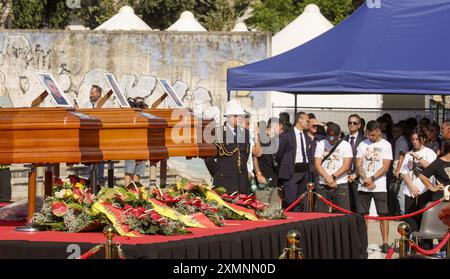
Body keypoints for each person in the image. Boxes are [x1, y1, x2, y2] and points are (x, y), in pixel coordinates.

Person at [356, 120, 393, 253]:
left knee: (383, 215)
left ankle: (385, 243)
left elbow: (386, 167)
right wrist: (365, 178)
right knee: (364, 215)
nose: (369, 137)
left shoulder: (386, 145)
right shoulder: (362, 144)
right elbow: (359, 164)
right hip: (364, 185)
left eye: (372, 135)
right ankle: (363, 242)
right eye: (368, 134)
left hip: (379, 186)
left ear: (378, 131)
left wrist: (372, 178)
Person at [400, 128, 437, 249]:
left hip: (425, 190)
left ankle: (426, 247)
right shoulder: (408, 154)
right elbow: (404, 172)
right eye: (413, 139)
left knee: (424, 219)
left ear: (423, 139)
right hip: (410, 190)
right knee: (410, 219)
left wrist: (417, 156)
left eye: (417, 139)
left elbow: (432, 168)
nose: (415, 141)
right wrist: (411, 186)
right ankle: (413, 245)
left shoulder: (430, 152)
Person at [204, 99, 251, 194]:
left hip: (242, 182)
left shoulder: (245, 133)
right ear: (228, 117)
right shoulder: (218, 133)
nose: (239, 118)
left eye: (241, 116)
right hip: (224, 182)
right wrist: (218, 173)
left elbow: (245, 155)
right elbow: (208, 157)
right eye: (236, 116)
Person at [275, 112, 312, 211]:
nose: (308, 123)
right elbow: (279, 154)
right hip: (291, 172)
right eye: (307, 121)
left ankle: (299, 220)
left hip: (304, 171)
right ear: (299, 120)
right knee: (290, 200)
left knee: (301, 200)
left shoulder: (306, 136)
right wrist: (285, 166)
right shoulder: (287, 135)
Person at [314, 123, 352, 212]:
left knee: (343, 213)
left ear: (339, 134)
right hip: (323, 182)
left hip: (340, 182)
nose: (331, 141)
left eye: (334, 139)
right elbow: (317, 164)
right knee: (321, 213)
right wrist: (327, 177)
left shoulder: (346, 145)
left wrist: (333, 177)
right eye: (329, 138)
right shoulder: (321, 144)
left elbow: (346, 165)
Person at [253, 117, 283, 205]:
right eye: (281, 128)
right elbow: (255, 157)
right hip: (263, 182)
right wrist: (258, 173)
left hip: (274, 182)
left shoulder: (274, 140)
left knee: (275, 211)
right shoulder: (260, 137)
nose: (282, 131)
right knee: (263, 210)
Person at [124, 97, 149, 186]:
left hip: (142, 145)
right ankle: (127, 188)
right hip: (131, 145)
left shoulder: (146, 115)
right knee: (129, 170)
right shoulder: (130, 115)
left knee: (138, 171)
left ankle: (136, 190)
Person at [344, 114, 365, 212]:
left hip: (359, 177)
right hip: (345, 176)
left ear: (359, 125)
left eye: (355, 123)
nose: (352, 125)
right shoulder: (344, 139)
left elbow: (364, 160)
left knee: (358, 207)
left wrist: (355, 174)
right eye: (350, 122)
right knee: (346, 206)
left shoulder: (364, 140)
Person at [391, 122, 409, 215]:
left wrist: (398, 170)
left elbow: (402, 156)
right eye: (393, 131)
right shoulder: (398, 140)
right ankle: (400, 212)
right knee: (398, 193)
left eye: (396, 131)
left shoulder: (402, 142)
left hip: (400, 171)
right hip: (398, 169)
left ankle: (403, 213)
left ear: (401, 131)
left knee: (400, 194)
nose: (394, 133)